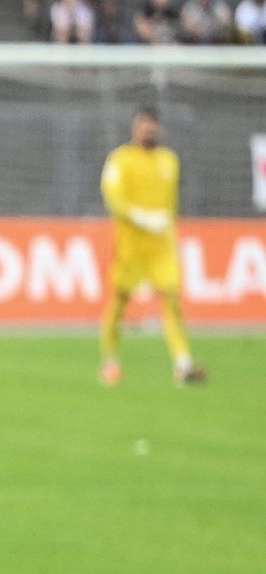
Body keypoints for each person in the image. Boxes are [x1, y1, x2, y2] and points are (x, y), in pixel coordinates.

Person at [99, 107, 204, 385]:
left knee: (172, 300)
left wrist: (167, 225)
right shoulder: (120, 160)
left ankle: (183, 364)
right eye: (144, 124)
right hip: (131, 247)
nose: (148, 129)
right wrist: (140, 216)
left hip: (161, 247)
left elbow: (171, 202)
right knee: (119, 302)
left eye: (152, 125)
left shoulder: (169, 161)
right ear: (135, 127)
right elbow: (113, 198)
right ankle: (110, 360)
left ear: (159, 128)